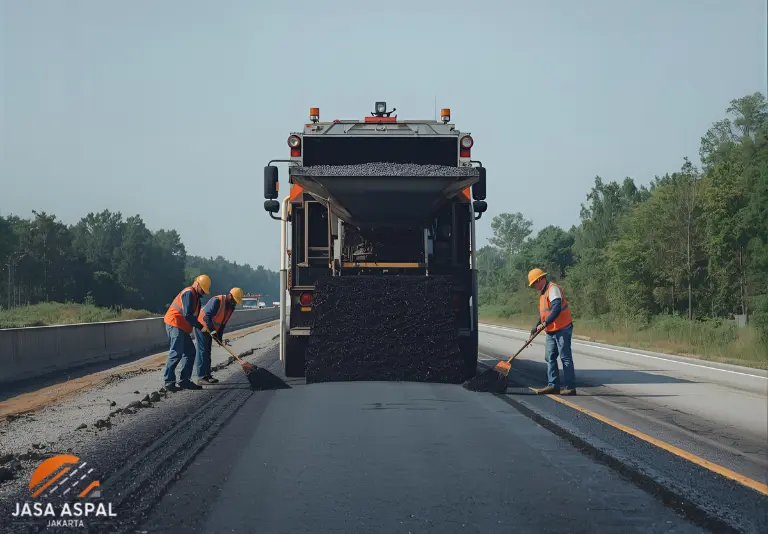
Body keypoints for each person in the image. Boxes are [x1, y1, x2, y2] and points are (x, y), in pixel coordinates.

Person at [528, 268, 576, 395]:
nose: (534, 287)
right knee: (550, 357)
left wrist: (544, 324)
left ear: (540, 279)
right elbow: (544, 314)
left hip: (562, 327)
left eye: (534, 284)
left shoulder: (552, 289)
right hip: (551, 329)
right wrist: (537, 326)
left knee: (565, 357)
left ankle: (570, 387)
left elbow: (556, 309)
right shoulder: (543, 294)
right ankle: (553, 385)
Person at [162, 274, 212, 391]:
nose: (204, 293)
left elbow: (194, 316)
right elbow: (188, 315)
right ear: (197, 285)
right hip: (174, 324)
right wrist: (200, 327)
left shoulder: (196, 297)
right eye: (203, 290)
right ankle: (169, 382)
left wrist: (204, 326)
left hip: (182, 327)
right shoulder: (188, 293)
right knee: (176, 353)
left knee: (190, 352)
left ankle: (184, 380)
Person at [194, 287, 243, 385]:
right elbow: (206, 316)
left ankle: (207, 375)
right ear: (230, 296)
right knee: (203, 351)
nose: (234, 303)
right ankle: (201, 377)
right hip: (202, 326)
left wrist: (219, 337)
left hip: (211, 329)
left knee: (207, 351)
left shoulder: (231, 307)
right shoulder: (217, 301)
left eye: (236, 301)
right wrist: (212, 331)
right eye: (234, 300)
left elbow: (223, 324)